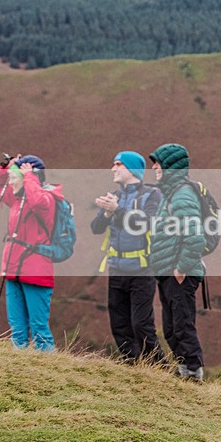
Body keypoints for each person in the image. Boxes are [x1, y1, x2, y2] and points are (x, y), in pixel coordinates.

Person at [90, 151, 165, 362]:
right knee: (119, 323)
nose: (113, 168)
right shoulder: (115, 195)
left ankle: (159, 367)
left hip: (142, 268)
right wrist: (106, 213)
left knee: (141, 324)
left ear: (131, 169)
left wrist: (117, 210)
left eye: (118, 164)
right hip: (116, 267)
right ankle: (130, 363)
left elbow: (145, 224)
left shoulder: (151, 195)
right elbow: (95, 228)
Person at [0, 154, 63, 352]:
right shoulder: (17, 200)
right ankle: (19, 368)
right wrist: (6, 168)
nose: (11, 182)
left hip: (36, 271)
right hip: (13, 269)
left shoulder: (48, 199)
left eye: (16, 177)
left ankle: (50, 369)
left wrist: (30, 177)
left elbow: (38, 202)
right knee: (17, 328)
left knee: (39, 328)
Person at [147, 143, 206, 381]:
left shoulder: (182, 194)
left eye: (158, 163)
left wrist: (181, 268)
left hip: (179, 272)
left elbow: (194, 236)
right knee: (171, 327)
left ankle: (193, 372)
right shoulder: (170, 193)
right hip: (167, 270)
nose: (154, 168)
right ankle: (184, 370)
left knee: (182, 325)